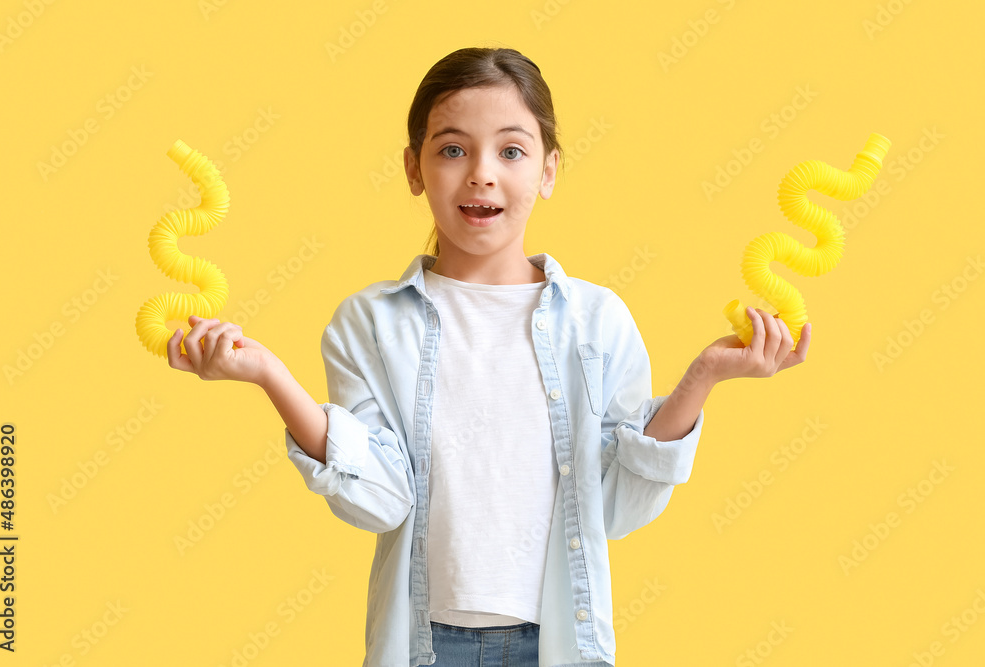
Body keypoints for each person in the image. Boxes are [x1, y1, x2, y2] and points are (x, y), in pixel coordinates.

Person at [166, 46, 810, 667]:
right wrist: (268, 375)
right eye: (452, 149)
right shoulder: (369, 322)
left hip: (559, 642)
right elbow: (382, 498)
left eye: (511, 150)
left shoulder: (597, 320)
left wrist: (705, 377)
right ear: (415, 169)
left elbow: (614, 504)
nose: (482, 171)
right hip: (422, 645)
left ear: (548, 170)